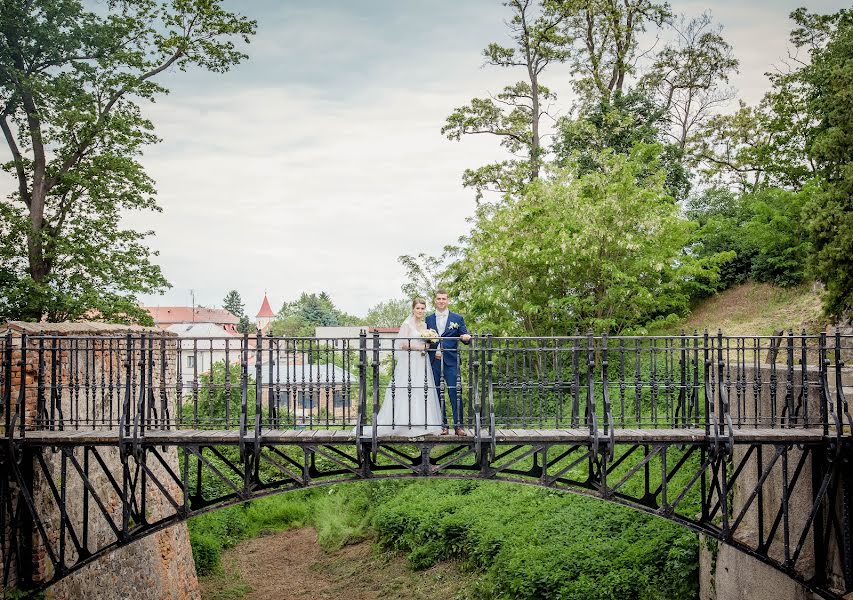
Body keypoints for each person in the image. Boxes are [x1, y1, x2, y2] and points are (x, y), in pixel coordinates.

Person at [367, 298, 444, 436]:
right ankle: (403, 422)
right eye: (418, 308)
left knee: (421, 389)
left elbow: (427, 343)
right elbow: (401, 344)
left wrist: (427, 345)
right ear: (413, 309)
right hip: (409, 361)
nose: (420, 311)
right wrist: (418, 347)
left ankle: (421, 423)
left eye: (422, 308)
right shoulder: (407, 324)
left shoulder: (426, 326)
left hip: (422, 361)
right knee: (407, 388)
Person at [425, 289, 471, 436]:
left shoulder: (457, 319)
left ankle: (459, 426)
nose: (441, 301)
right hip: (434, 361)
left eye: (443, 299)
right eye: (438, 299)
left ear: (447, 300)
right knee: (437, 392)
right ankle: (442, 425)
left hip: (451, 361)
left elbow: (465, 336)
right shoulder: (428, 319)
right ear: (435, 301)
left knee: (455, 392)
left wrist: (466, 337)